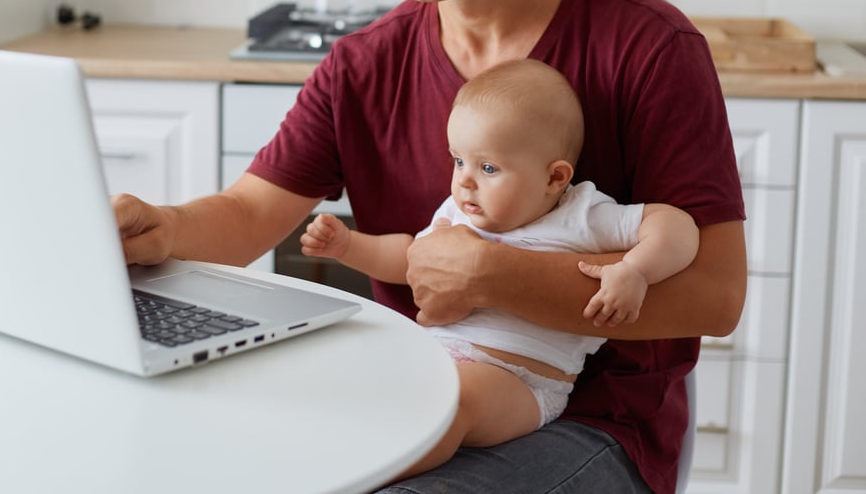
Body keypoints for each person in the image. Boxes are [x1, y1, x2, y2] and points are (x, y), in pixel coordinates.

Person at [116, 0, 746, 494]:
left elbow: (715, 296)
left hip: (594, 423)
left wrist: (491, 274)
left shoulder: (647, 48)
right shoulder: (363, 64)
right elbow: (250, 213)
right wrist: (158, 225)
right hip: (415, 390)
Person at [300, 59, 700, 479]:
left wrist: (635, 269)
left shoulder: (582, 214)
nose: (465, 181)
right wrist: (349, 246)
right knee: (349, 377)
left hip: (519, 382)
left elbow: (677, 227)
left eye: (488, 168)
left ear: (554, 178)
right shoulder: (458, 212)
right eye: (458, 162)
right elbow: (409, 259)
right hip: (432, 359)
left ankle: (366, 476)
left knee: (450, 405)